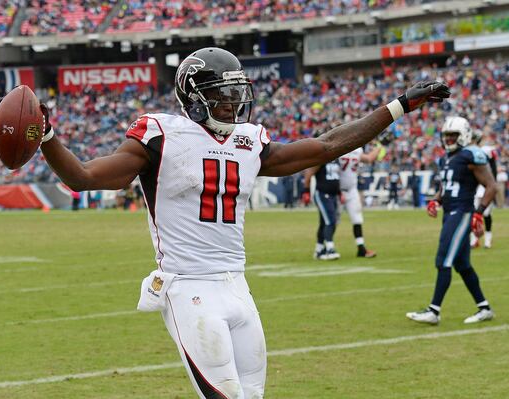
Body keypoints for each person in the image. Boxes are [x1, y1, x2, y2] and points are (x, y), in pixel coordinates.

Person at [33, 47, 449, 398]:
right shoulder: (160, 134)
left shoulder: (249, 140)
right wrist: (48, 136)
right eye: (223, 93)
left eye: (237, 91)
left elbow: (326, 146)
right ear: (193, 97)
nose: (234, 101)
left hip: (238, 285)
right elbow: (83, 177)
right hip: (190, 287)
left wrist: (400, 106)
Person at [406, 116, 496, 325]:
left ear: (463, 134)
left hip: (463, 212)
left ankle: (433, 311)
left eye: (452, 135)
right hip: (449, 212)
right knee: (462, 264)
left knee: (443, 259)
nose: (448, 139)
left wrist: (479, 212)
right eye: (446, 135)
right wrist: (435, 200)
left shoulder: (471, 155)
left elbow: (491, 186)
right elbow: (446, 186)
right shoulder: (445, 158)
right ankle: (484, 308)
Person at [339, 144, 382, 257]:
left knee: (357, 218)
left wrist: (378, 148)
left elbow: (368, 159)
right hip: (337, 189)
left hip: (352, 189)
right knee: (332, 221)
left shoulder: (357, 149)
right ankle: (325, 247)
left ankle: (361, 248)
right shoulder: (338, 147)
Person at [305, 159, 341, 260]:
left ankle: (319, 250)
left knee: (324, 223)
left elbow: (336, 178)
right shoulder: (323, 158)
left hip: (333, 195)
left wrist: (339, 192)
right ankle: (330, 249)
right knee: (331, 221)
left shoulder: (337, 159)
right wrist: (306, 191)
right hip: (322, 194)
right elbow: (309, 173)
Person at [469, 130, 497, 249]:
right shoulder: (470, 151)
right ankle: (474, 239)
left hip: (486, 185)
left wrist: (492, 182)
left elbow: (493, 167)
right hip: (476, 186)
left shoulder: (486, 150)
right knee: (474, 212)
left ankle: (488, 240)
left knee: (485, 213)